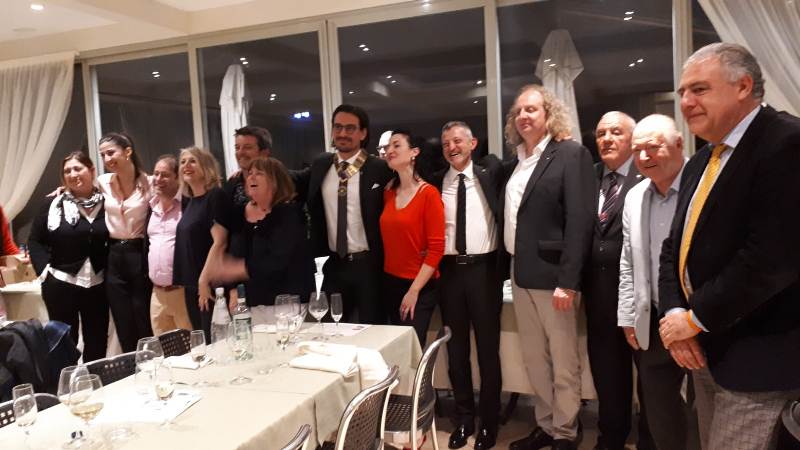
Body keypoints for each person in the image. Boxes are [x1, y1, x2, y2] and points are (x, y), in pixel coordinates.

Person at [658, 42, 800, 450]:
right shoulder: (702, 162)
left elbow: (771, 258)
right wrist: (675, 316)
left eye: (699, 89)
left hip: (760, 359)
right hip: (703, 352)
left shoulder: (786, 142)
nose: (686, 102)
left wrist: (695, 317)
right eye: (683, 92)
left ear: (743, 86)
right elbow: (673, 248)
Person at [501, 84, 595, 450]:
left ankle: (566, 431)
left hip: (555, 278)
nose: (524, 116)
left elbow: (580, 221)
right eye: (519, 111)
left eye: (532, 109)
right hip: (520, 275)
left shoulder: (571, 154)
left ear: (549, 114)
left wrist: (568, 281)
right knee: (534, 360)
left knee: (563, 361)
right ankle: (545, 424)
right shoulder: (517, 161)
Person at [618, 114, 695, 450]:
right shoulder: (635, 196)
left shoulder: (703, 186)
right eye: (637, 150)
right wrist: (627, 316)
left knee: (703, 413)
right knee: (660, 412)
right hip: (652, 320)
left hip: (699, 319)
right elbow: (628, 262)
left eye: (652, 147)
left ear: (679, 143)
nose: (644, 156)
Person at [429, 121, 503, 450]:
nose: (452, 147)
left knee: (488, 351)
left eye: (457, 141)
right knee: (456, 351)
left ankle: (489, 422)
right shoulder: (435, 182)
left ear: (472, 144)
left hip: (484, 271)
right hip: (449, 273)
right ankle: (464, 419)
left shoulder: (491, 174)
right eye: (446, 143)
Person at [292, 104, 393, 324]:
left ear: (363, 133)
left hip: (369, 265)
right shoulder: (321, 165)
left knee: (373, 330)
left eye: (350, 128)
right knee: (334, 330)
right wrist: (251, 170)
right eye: (338, 127)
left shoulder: (380, 169)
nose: (342, 133)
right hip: (333, 265)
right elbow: (290, 180)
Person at [582, 111, 646, 450]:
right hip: (598, 295)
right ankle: (612, 436)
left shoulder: (647, 174)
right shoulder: (587, 177)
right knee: (607, 373)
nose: (606, 139)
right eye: (601, 133)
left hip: (642, 296)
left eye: (616, 132)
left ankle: (651, 438)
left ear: (632, 139)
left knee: (648, 378)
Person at [205, 157, 314, 318]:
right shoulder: (240, 214)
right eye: (250, 173)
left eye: (259, 173)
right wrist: (233, 288)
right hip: (251, 304)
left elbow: (279, 259)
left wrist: (238, 269)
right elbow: (233, 252)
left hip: (286, 304)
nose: (252, 177)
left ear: (275, 181)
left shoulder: (290, 214)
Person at [28, 151, 109, 361]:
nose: (72, 174)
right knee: (63, 344)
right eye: (67, 171)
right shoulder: (52, 203)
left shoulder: (107, 203)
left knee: (97, 341)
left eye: (78, 168)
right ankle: (67, 381)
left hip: (97, 284)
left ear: (92, 171)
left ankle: (95, 379)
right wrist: (44, 272)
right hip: (61, 283)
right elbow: (35, 241)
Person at [380, 129, 444, 347]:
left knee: (411, 350)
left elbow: (436, 249)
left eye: (396, 145)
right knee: (394, 350)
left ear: (414, 152)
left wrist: (414, 291)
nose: (389, 150)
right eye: (387, 147)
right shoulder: (389, 192)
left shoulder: (429, 194)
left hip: (418, 285)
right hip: (390, 282)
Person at [97, 132, 153, 352]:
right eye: (103, 155)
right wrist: (63, 189)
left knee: (142, 314)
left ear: (128, 151)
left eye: (111, 153)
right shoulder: (103, 182)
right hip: (113, 255)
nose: (107, 159)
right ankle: (131, 365)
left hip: (138, 253)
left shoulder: (149, 183)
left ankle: (151, 361)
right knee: (122, 319)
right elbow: (81, 192)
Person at [173, 147, 229, 342]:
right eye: (182, 162)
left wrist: (203, 281)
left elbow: (220, 242)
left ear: (206, 166)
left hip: (210, 284)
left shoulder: (215, 196)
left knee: (215, 342)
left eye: (192, 161)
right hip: (192, 284)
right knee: (202, 341)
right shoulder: (189, 202)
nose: (186, 166)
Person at [147, 154, 192, 335]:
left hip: (182, 293)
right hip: (157, 294)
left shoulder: (187, 206)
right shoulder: (150, 208)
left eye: (165, 175)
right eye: (156, 174)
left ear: (177, 177)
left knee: (192, 347)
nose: (158, 179)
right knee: (162, 349)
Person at [224, 126, 272, 208]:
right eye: (237, 148)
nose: (240, 152)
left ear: (264, 153)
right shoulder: (232, 183)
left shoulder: (280, 181)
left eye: (247, 147)